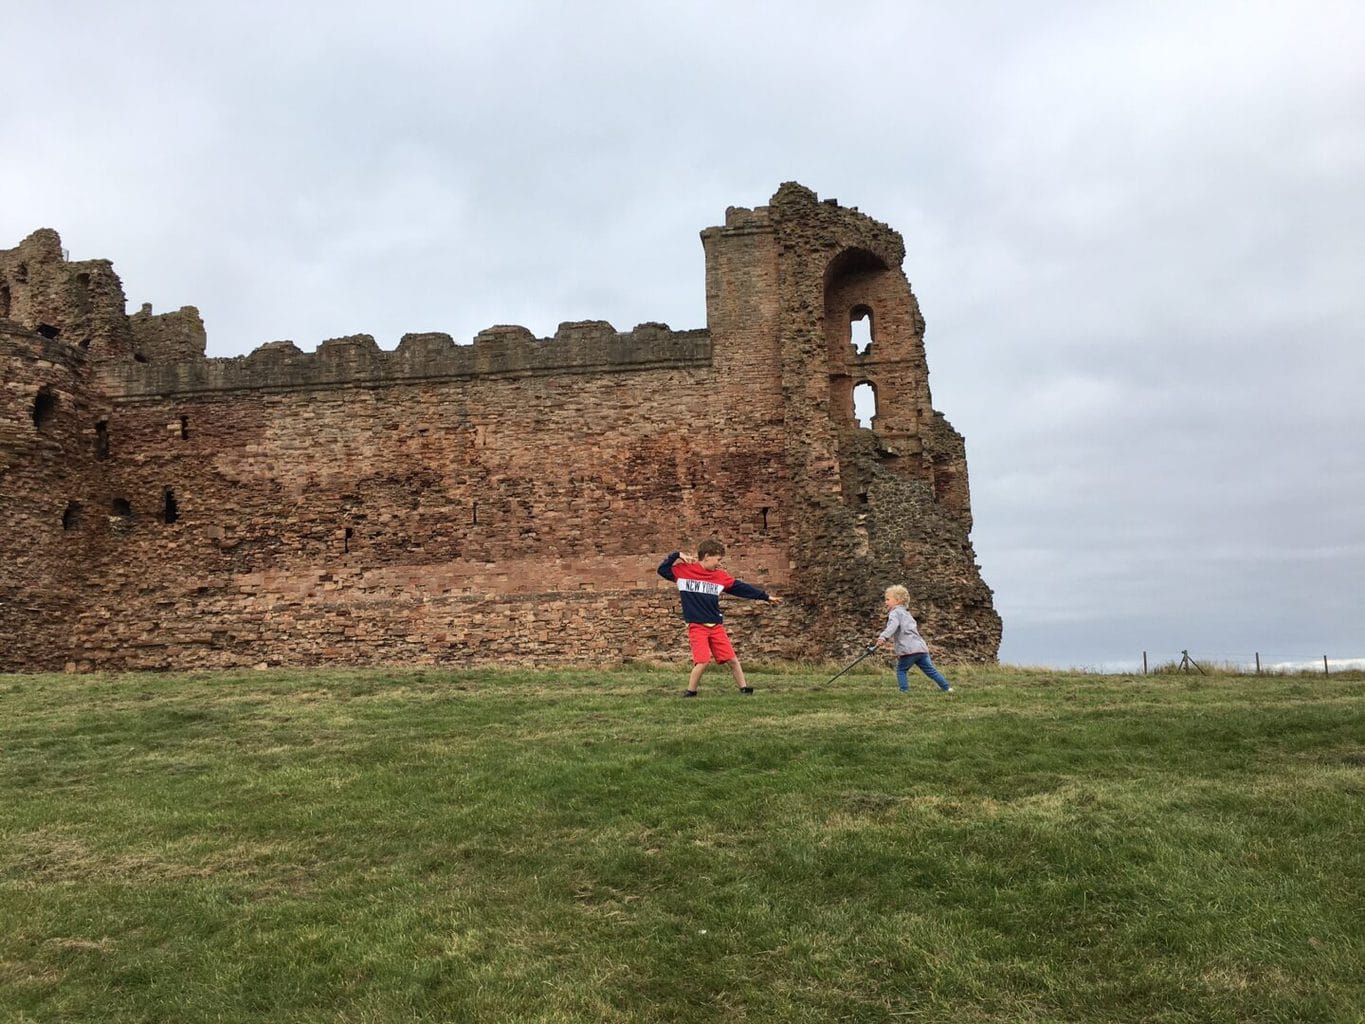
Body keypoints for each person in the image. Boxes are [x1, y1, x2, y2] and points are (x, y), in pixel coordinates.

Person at [658, 539, 781, 696]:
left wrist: (765, 596)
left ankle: (744, 689)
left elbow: (741, 588)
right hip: (697, 626)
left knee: (732, 659)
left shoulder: (720, 576)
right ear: (707, 556)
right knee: (702, 661)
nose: (719, 563)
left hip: (716, 626)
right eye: (718, 559)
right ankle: (691, 692)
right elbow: (662, 569)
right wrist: (677, 555)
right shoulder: (683, 571)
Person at [873, 585, 954, 694]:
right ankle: (947, 688)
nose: (885, 602)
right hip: (921, 648)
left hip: (908, 650)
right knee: (931, 671)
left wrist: (883, 637)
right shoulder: (907, 613)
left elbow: (892, 627)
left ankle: (904, 691)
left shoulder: (895, 613)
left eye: (887, 599)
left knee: (901, 670)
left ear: (898, 601)